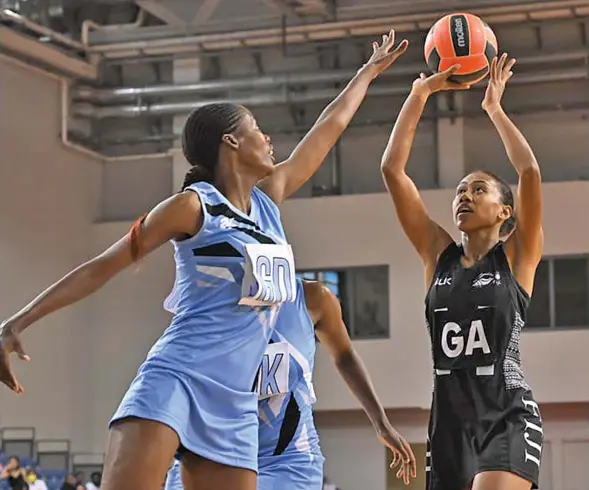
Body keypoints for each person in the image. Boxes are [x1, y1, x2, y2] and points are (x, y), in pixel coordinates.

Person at [0, 30, 408, 490]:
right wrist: (19, 321)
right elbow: (103, 266)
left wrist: (366, 73)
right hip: (180, 375)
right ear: (232, 142)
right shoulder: (193, 207)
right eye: (256, 129)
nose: (268, 139)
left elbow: (327, 129)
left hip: (235, 403)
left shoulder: (268, 202)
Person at [380, 55, 543, 490]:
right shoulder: (439, 257)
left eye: (478, 189)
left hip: (506, 415)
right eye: (459, 191)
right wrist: (419, 94)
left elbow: (528, 171)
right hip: (449, 423)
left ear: (504, 211)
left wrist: (495, 110)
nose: (464, 197)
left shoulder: (517, 256)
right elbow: (392, 171)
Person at [164, 279, 417, 490]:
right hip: (211, 453)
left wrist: (382, 424)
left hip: (288, 459)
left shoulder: (312, 298)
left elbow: (344, 354)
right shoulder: (203, 303)